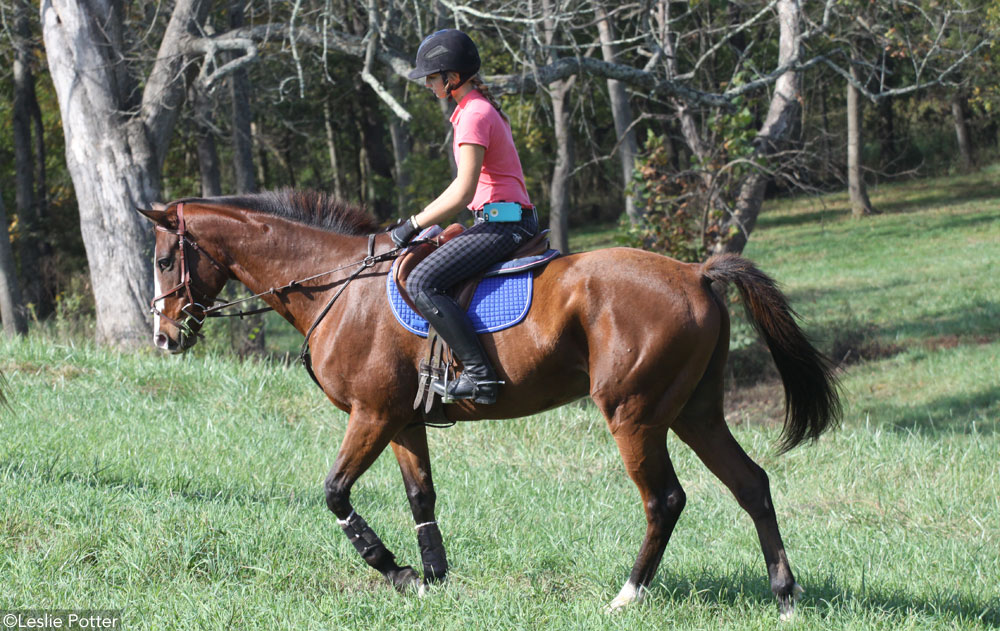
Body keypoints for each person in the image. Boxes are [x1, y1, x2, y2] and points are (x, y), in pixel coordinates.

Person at [391, 29, 538, 405]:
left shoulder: (474, 114)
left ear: (452, 78)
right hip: (498, 220)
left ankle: (480, 378)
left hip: (505, 224)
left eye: (432, 76)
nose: (427, 84)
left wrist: (412, 224)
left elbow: (463, 191)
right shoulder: (475, 108)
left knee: (422, 281)